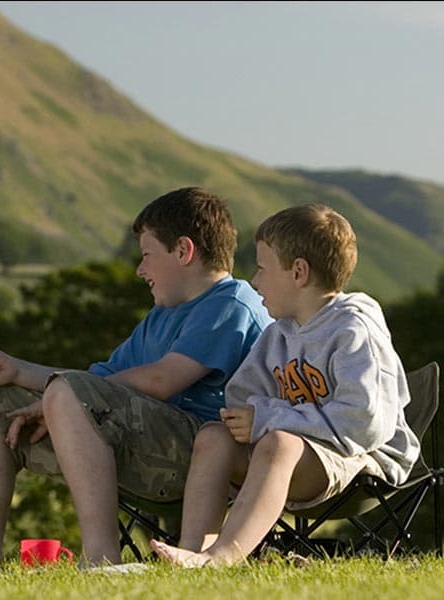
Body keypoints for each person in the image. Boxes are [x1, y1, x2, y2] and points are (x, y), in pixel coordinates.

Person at [0, 187, 272, 569]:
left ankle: (101, 558)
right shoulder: (162, 315)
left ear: (184, 251)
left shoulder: (232, 303)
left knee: (69, 394)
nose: (140, 270)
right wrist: (18, 371)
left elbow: (162, 380)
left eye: (147, 256)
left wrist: (60, 397)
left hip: (203, 457)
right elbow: (99, 379)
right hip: (133, 447)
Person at [150, 204, 419, 567]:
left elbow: (363, 423)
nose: (255, 280)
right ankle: (194, 550)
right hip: (291, 455)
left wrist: (272, 417)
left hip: (359, 460)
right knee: (214, 436)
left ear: (298, 272)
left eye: (262, 268)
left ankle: (224, 556)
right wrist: (254, 419)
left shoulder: (354, 331)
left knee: (279, 441)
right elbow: (244, 398)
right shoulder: (279, 334)